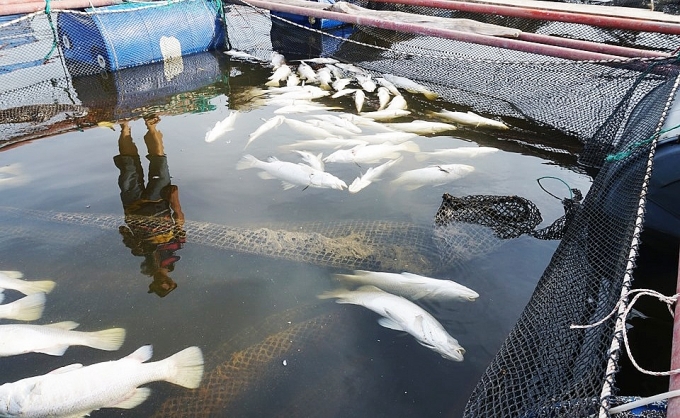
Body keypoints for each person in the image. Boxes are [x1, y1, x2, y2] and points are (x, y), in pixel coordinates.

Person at [113, 114, 185, 297]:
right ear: (173, 282)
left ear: (152, 283)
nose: (162, 283)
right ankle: (151, 126)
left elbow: (123, 230)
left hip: (133, 206)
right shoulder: (175, 250)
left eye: (158, 286)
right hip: (160, 202)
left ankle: (125, 126)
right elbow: (179, 222)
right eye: (168, 285)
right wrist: (175, 200)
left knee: (128, 167)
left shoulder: (140, 253)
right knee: (159, 162)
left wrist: (130, 239)